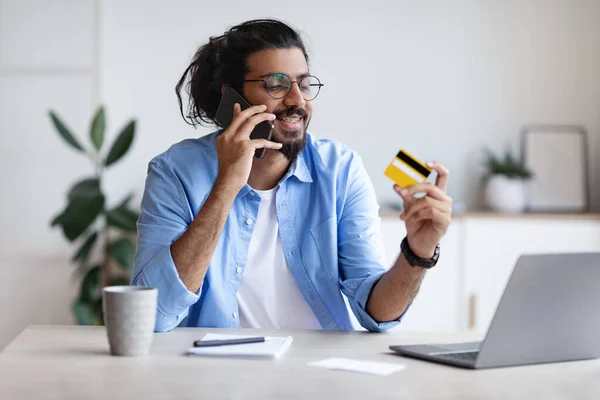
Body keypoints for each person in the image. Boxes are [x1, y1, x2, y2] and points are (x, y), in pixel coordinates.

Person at [131, 19, 452, 332]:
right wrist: (226, 185)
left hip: (316, 372)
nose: (297, 100)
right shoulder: (175, 171)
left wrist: (417, 252)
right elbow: (153, 315)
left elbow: (377, 315)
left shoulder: (339, 169)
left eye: (303, 83)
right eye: (276, 85)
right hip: (217, 373)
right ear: (232, 100)